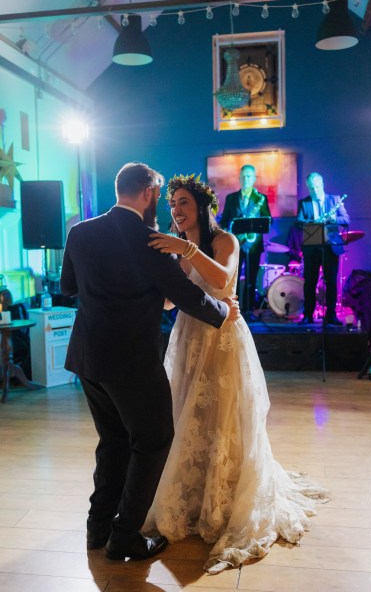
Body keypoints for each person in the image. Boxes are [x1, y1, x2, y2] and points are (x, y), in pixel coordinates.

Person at [145, 174, 329, 573]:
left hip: (224, 336)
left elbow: (224, 280)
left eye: (183, 204)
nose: (176, 210)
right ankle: (193, 493)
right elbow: (165, 304)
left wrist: (187, 249)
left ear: (202, 207)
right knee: (187, 415)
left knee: (226, 413)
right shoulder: (173, 251)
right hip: (189, 337)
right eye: (172, 204)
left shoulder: (225, 240)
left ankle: (227, 494)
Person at [60, 162, 240, 562]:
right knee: (153, 439)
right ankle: (124, 535)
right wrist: (225, 312)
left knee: (113, 440)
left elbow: (68, 287)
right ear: (148, 193)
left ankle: (98, 528)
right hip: (132, 361)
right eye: (160, 195)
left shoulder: (80, 232)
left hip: (88, 358)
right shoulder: (152, 241)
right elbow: (188, 297)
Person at [296, 172, 350, 326]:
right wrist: (314, 222)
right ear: (308, 188)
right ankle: (308, 315)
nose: (315, 190)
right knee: (310, 283)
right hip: (312, 248)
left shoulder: (335, 199)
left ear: (323, 184)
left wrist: (332, 219)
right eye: (311, 188)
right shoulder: (304, 203)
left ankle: (331, 315)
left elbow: (346, 219)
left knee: (331, 282)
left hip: (330, 247)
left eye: (317, 187)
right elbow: (298, 221)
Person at [219, 165, 272, 312]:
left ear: (254, 179)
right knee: (233, 280)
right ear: (239, 178)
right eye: (243, 176)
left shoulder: (261, 198)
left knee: (251, 279)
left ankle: (248, 311)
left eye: (249, 176)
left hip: (254, 244)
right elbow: (224, 221)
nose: (246, 179)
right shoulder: (231, 198)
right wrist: (228, 230)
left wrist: (255, 225)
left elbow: (269, 220)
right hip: (235, 244)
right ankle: (232, 310)